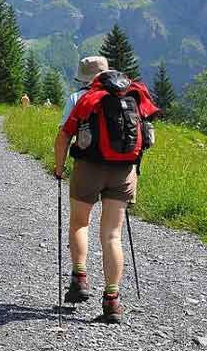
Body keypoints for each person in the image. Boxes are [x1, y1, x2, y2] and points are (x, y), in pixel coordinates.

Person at [54, 56, 157, 324]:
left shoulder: (81, 98)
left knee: (79, 223)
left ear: (85, 78)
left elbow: (64, 134)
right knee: (112, 235)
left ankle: (80, 278)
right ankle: (112, 300)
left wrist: (59, 166)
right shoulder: (131, 95)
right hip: (124, 170)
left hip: (89, 167)